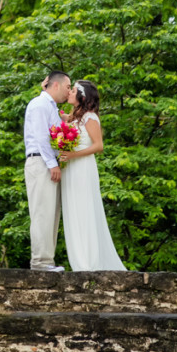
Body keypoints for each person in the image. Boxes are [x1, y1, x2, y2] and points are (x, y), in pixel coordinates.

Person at [58, 79, 126, 271]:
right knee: (73, 211)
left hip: (83, 168)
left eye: (73, 90)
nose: (69, 92)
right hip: (71, 169)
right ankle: (79, 261)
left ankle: (89, 263)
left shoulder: (90, 117)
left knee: (84, 210)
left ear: (82, 96)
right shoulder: (75, 117)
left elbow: (98, 146)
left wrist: (72, 155)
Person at [24, 70, 71, 271]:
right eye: (68, 87)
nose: (69, 92)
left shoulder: (50, 106)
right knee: (42, 212)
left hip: (47, 161)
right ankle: (40, 262)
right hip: (40, 162)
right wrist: (52, 164)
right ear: (56, 85)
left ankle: (47, 261)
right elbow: (42, 137)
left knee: (51, 213)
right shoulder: (39, 105)